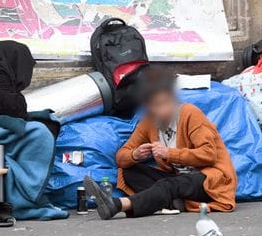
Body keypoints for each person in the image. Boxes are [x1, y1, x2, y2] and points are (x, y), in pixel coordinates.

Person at [84, 67, 237, 219]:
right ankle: (174, 202)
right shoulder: (149, 122)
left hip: (208, 180)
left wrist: (169, 154)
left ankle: (119, 205)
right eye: (156, 105)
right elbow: (121, 157)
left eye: (165, 103)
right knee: (128, 172)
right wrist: (135, 155)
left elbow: (209, 155)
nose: (162, 109)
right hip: (179, 181)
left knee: (168, 185)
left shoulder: (190, 114)